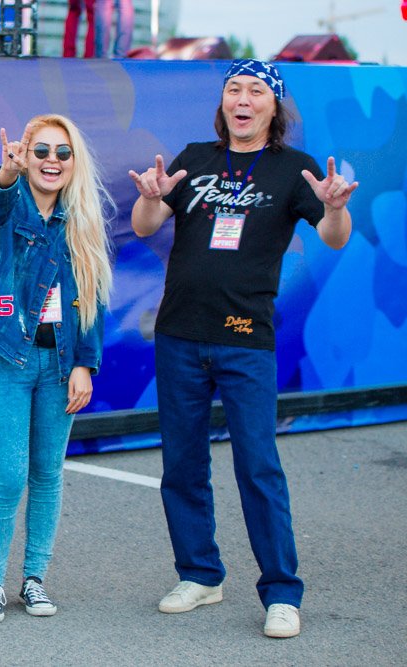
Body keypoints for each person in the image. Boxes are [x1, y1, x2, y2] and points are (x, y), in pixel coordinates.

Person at [128, 59, 358, 639]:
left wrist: (334, 208)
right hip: (179, 335)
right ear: (223, 101)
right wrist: (152, 197)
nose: (243, 99)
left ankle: (281, 592)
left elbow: (333, 238)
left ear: (274, 106)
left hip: (246, 339)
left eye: (257, 91)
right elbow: (144, 223)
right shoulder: (194, 158)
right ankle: (200, 575)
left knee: (258, 466)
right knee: (182, 465)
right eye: (234, 89)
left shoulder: (295, 169)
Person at [0, 116, 112, 623]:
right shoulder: (10, 206)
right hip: (6, 356)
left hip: (60, 362)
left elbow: (92, 300)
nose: (52, 161)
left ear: (74, 162)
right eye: (41, 151)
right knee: (9, 477)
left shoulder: (82, 219)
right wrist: (6, 173)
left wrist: (84, 364)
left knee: (47, 473)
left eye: (62, 152)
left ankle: (34, 580)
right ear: (26, 157)